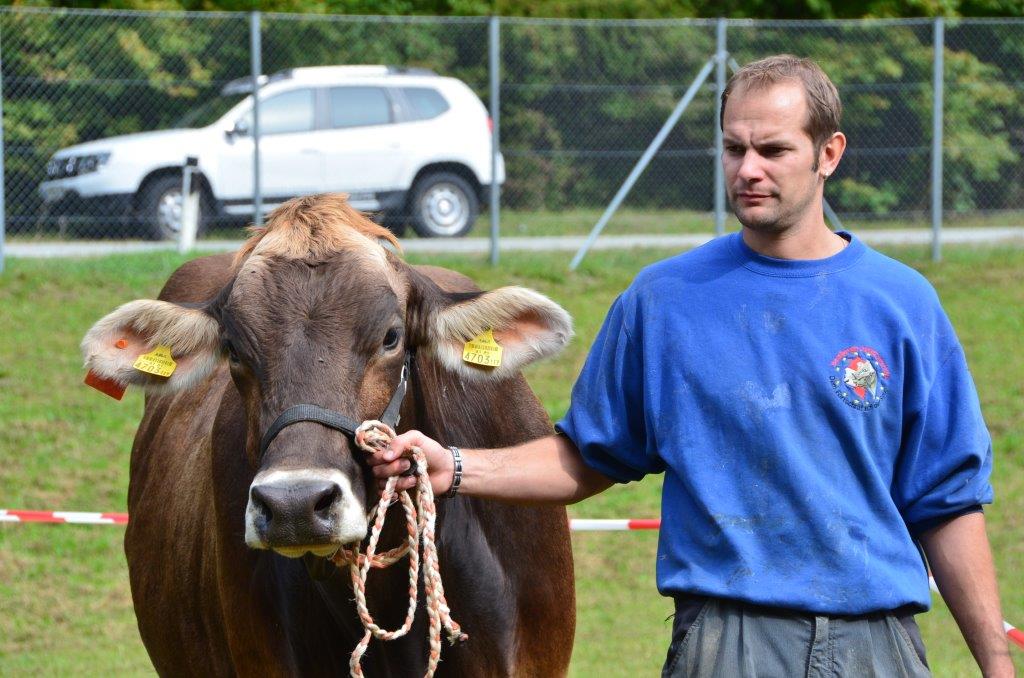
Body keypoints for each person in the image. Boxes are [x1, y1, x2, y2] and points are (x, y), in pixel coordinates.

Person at [367, 55, 1015, 677]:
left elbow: (947, 502)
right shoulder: (663, 302)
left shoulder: (902, 306)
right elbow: (586, 457)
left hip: (877, 643)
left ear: (829, 154)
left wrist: (996, 662)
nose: (748, 169)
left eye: (773, 150)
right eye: (734, 148)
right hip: (727, 641)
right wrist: (453, 466)